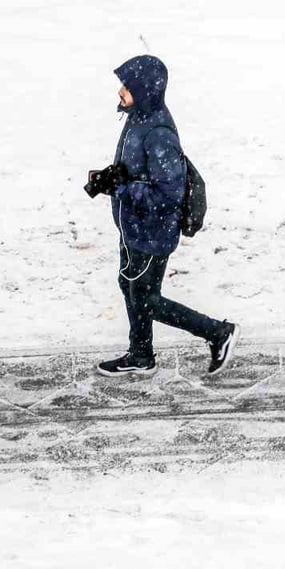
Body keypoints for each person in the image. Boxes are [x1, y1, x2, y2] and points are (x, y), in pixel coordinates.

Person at [86, 55, 240, 378]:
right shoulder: (138, 117)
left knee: (145, 299)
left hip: (152, 231)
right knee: (130, 286)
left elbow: (168, 195)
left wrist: (122, 187)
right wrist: (111, 177)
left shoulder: (158, 133)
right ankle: (141, 355)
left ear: (143, 90)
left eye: (127, 86)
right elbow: (136, 170)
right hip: (133, 227)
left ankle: (218, 333)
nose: (120, 91)